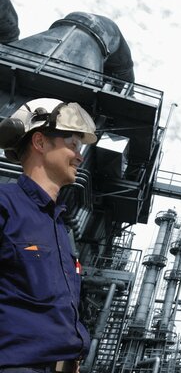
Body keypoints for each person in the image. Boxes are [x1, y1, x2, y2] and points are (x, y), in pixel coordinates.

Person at [0, 98, 96, 372]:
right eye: (73, 145)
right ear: (40, 143)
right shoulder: (6, 206)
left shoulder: (56, 225)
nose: (79, 156)